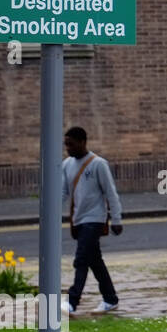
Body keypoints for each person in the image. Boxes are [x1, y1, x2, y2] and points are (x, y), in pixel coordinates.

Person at [61, 126, 124, 315]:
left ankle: (72, 301)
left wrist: (116, 218)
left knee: (81, 259)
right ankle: (110, 299)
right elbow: (63, 193)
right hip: (78, 219)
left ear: (83, 142)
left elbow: (110, 193)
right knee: (95, 261)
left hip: (95, 219)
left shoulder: (98, 164)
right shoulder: (66, 165)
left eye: (71, 144)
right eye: (66, 145)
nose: (68, 148)